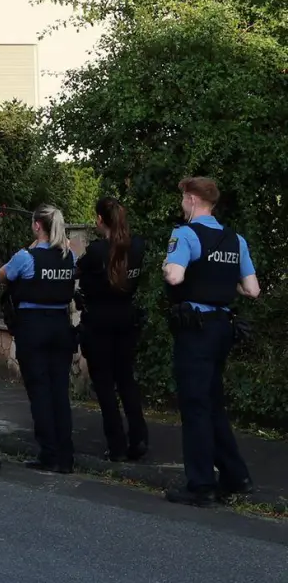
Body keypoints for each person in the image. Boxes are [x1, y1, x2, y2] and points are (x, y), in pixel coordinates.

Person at [163, 176, 260, 506]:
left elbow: (175, 276)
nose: (181, 205)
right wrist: (220, 282)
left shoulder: (185, 234)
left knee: (195, 406)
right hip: (223, 328)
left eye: (183, 199)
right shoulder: (236, 239)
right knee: (213, 403)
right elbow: (252, 290)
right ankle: (236, 476)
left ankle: (201, 485)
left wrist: (170, 267)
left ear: (192, 199)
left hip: (196, 329)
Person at [0, 206, 78, 474]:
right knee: (59, 392)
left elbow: (3, 275)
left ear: (36, 226)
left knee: (40, 391)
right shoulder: (70, 257)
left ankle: (49, 453)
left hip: (33, 327)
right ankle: (65, 456)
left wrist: (33, 245)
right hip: (60, 326)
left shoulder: (26, 257)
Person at [76, 197, 148, 462]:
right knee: (126, 380)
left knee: (105, 386)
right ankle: (139, 437)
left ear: (99, 220)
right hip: (126, 320)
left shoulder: (96, 251)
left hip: (99, 323)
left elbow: (76, 271)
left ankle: (116, 445)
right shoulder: (137, 246)